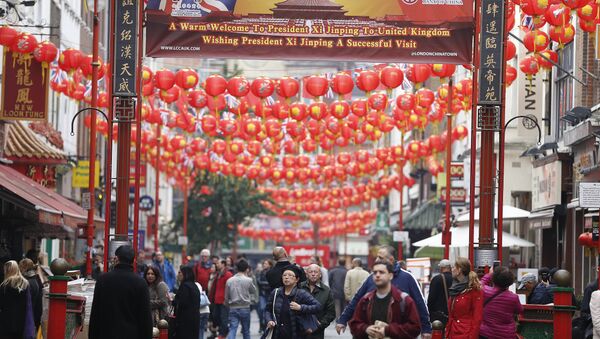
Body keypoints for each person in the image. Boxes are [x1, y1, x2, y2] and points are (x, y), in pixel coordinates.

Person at [336, 246, 431, 338]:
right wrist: (343, 320)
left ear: (391, 260)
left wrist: (426, 329)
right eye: (376, 257)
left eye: (380, 257)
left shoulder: (408, 278)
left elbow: (420, 304)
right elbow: (356, 300)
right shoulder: (371, 278)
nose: (377, 260)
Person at [89, 245, 153, 339]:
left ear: (116, 258)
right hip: (131, 334)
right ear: (133, 260)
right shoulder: (140, 283)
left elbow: (95, 313)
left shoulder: (103, 280)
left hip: (106, 334)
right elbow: (145, 317)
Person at [348, 260, 421, 339]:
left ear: (390, 275)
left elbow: (415, 328)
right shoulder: (366, 300)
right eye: (375, 272)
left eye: (381, 272)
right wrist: (365, 329)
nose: (377, 275)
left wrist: (388, 330)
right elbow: (354, 324)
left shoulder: (403, 300)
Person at [265, 265, 322, 339]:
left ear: (297, 279)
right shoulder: (276, 292)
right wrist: (269, 320)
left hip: (297, 334)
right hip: (277, 334)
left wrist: (301, 307)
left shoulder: (301, 293)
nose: (286, 277)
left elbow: (318, 306)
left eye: (290, 275)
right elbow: (267, 310)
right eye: (284, 275)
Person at [479, 266, 523, 339]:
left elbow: (480, 284)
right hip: (506, 335)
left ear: (494, 279)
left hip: (486, 334)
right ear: (510, 281)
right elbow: (520, 310)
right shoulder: (513, 298)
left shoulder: (485, 291)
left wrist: (489, 274)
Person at [445, 257, 483, 339]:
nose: (452, 269)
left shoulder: (474, 290)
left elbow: (477, 318)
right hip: (452, 332)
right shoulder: (454, 288)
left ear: (459, 270)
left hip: (465, 334)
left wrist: (472, 337)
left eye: (454, 267)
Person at [0, 260, 35, 339]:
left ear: (7, 271)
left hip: (6, 323)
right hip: (21, 322)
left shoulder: (4, 286)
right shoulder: (25, 284)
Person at [300, 264, 336, 339]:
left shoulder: (326, 291)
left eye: (316, 272)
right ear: (306, 274)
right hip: (300, 330)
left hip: (317, 332)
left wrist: (320, 325)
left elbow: (331, 313)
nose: (313, 274)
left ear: (320, 275)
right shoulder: (299, 287)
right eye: (310, 272)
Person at [224, 259, 257, 339]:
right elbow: (253, 291)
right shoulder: (249, 280)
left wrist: (228, 305)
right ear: (246, 269)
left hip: (233, 307)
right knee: (246, 331)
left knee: (232, 329)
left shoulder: (229, 281)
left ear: (236, 268)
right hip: (245, 307)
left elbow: (226, 297)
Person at [172, 265, 200, 339]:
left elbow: (182, 302)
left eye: (180, 272)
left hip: (185, 320)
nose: (178, 275)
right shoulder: (194, 285)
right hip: (194, 318)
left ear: (185, 274)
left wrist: (173, 300)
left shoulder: (185, 286)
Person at [210, 259, 233, 338]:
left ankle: (222, 334)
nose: (216, 265)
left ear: (223, 264)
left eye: (218, 263)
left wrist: (227, 299)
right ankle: (223, 332)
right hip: (217, 300)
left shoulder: (228, 274)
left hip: (224, 301)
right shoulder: (218, 274)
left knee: (224, 318)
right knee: (216, 317)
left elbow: (231, 288)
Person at [19, 258, 42, 333]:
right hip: (35, 316)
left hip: (30, 317)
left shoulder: (28, 282)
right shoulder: (35, 279)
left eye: (20, 267)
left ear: (24, 268)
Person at [427, 259, 453, 327]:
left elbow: (431, 298)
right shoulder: (456, 279)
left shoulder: (436, 279)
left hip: (439, 316)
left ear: (441, 268)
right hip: (453, 315)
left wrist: (430, 312)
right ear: (450, 268)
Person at [257, 259, 273, 333]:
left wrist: (264, 284)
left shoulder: (271, 272)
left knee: (268, 310)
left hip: (269, 294)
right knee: (262, 309)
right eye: (264, 263)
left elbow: (271, 284)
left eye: (266, 263)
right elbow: (258, 282)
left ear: (270, 265)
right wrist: (265, 284)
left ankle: (267, 326)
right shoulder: (261, 272)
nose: (264, 265)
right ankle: (262, 326)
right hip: (262, 294)